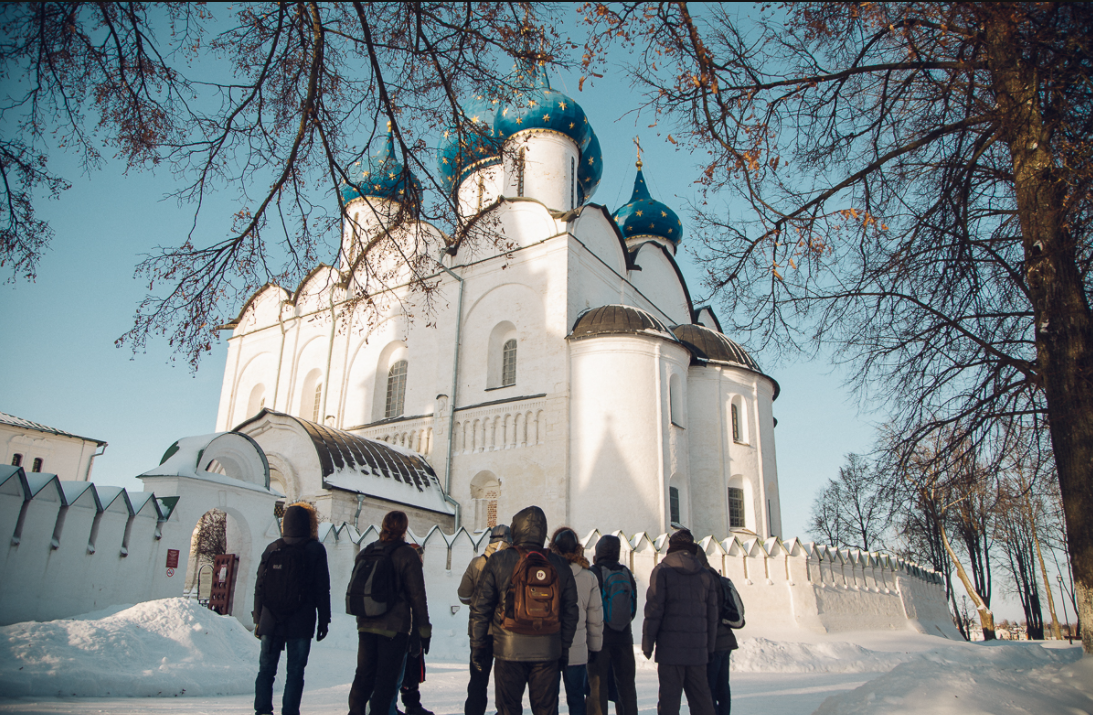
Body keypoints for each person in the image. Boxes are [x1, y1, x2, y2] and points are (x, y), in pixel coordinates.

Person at [469, 506, 580, 715]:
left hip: (508, 649)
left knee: (508, 709)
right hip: (547, 651)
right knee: (546, 711)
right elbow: (571, 611)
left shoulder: (499, 560)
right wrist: (563, 647)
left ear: (516, 529)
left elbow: (480, 607)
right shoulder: (559, 564)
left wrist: (477, 644)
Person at [348, 510, 432, 715]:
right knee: (386, 682)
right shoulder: (407, 554)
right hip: (394, 629)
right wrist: (424, 631)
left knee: (363, 677)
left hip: (366, 624)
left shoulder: (367, 551)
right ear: (404, 529)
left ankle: (355, 712)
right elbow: (417, 596)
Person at [252, 502, 331, 715]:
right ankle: (289, 711)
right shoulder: (315, 549)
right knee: (295, 672)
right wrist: (324, 620)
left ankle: (262, 710)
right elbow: (322, 588)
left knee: (266, 670)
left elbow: (259, 585)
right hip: (301, 620)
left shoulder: (272, 548)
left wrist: (258, 617)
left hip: (270, 619)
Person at [642, 528, 718, 715]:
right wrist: (710, 647)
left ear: (671, 547)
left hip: (670, 651)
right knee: (702, 701)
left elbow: (654, 609)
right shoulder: (705, 575)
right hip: (698, 650)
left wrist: (648, 643)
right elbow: (712, 615)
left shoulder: (662, 571)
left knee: (669, 701)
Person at [458, 524, 513, 715]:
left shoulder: (476, 563)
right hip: (506, 632)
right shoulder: (514, 563)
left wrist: (478, 601)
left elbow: (463, 596)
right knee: (505, 680)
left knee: (478, 680)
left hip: (480, 631)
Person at [550, 527, 603, 715]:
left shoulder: (547, 572)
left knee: (549, 700)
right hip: (578, 649)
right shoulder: (589, 577)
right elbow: (595, 618)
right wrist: (595, 648)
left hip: (551, 648)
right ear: (578, 549)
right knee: (576, 698)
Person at [587, 534, 639, 715]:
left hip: (599, 639)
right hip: (624, 638)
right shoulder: (625, 573)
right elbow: (633, 608)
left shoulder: (594, 572)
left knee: (597, 688)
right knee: (626, 688)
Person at [698, 550, 739, 715]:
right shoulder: (717, 577)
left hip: (714, 642)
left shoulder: (704, 579)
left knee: (710, 688)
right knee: (723, 687)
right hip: (726, 640)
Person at [396, 543, 434, 715]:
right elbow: (415, 600)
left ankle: (412, 703)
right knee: (402, 667)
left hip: (414, 628)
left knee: (412, 665)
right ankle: (392, 705)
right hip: (404, 627)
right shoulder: (405, 571)